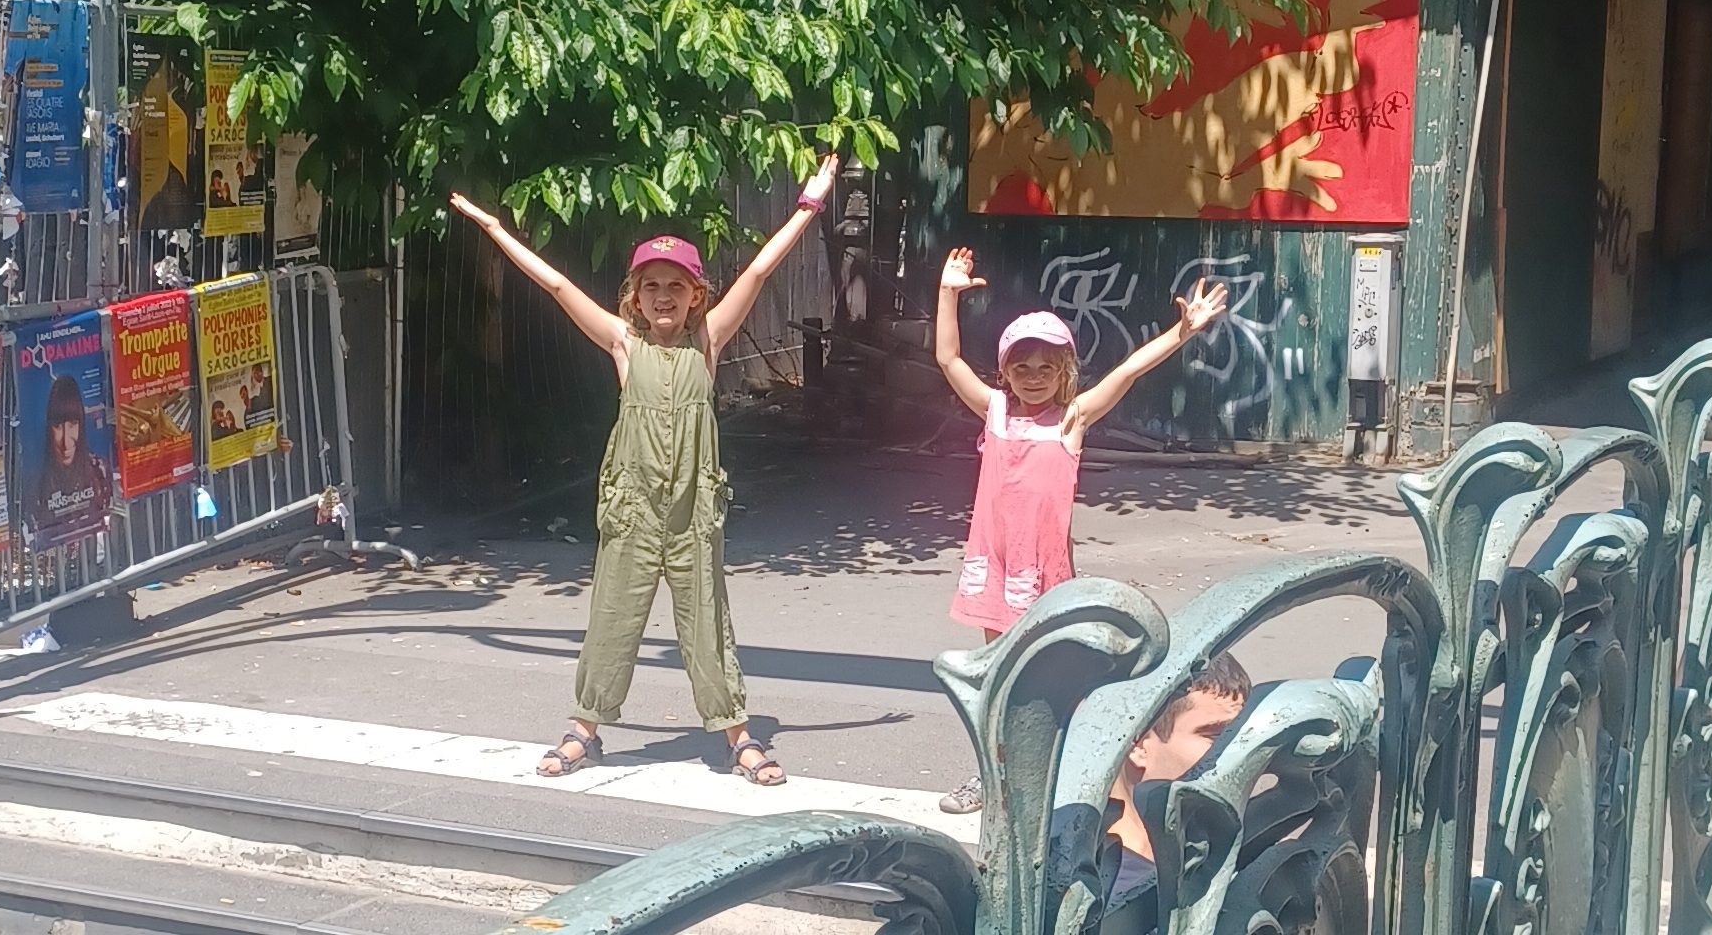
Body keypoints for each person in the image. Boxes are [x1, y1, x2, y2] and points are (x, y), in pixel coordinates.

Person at [453, 154, 839, 787]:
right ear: (634, 297)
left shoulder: (709, 341)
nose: (664, 296)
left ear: (696, 296)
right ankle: (585, 731)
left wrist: (811, 201)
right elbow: (555, 286)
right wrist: (495, 230)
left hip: (692, 510)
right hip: (632, 508)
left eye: (676, 286)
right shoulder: (621, 343)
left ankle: (738, 738)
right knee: (613, 617)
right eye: (651, 286)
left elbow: (763, 267)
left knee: (707, 622)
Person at [932, 246, 1229, 812]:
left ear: (1065, 370)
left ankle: (1066, 773)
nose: (1034, 377)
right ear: (1005, 371)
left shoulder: (1072, 419)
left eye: (1047, 368)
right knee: (998, 677)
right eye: (1021, 367)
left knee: (1057, 679)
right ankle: (992, 777)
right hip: (996, 567)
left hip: (1047, 575)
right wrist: (948, 293)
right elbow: (948, 358)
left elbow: (1129, 370)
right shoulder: (994, 411)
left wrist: (1183, 333)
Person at [1047, 650, 1253, 918]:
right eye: (1216, 735)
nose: (1239, 751)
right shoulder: (1104, 896)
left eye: (1241, 735)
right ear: (1139, 742)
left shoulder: (1228, 848)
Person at [26, 372, 111, 541]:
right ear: (49, 428)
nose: (66, 442)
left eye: (73, 424)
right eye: (58, 426)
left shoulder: (99, 471)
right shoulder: (36, 483)